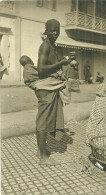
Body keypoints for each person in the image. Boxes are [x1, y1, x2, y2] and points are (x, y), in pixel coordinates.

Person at [21, 19, 70, 165]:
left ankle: (40, 150)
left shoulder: (53, 46)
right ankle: (43, 157)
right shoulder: (44, 47)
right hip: (46, 87)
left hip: (51, 86)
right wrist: (61, 63)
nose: (55, 32)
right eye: (52, 30)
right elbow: (41, 69)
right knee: (43, 121)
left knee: (48, 119)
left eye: (57, 30)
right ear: (46, 30)